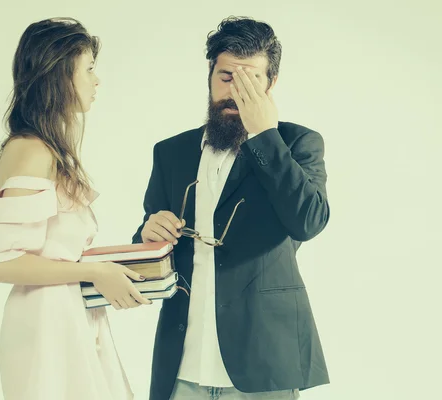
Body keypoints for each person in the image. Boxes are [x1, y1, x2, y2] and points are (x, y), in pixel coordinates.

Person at [132, 16, 331, 400]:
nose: (235, 91)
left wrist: (265, 135)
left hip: (263, 365)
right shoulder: (171, 152)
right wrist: (148, 231)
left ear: (271, 84)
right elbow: (147, 244)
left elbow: (308, 222)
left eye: (250, 80)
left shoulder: (298, 143)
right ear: (210, 73)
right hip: (183, 364)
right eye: (226, 77)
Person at [0, 17, 149, 400]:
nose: (97, 80)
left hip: (68, 316)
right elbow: (0, 264)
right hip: (46, 326)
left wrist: (113, 268)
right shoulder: (31, 150)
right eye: (88, 68)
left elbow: (54, 252)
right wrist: (95, 272)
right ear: (59, 75)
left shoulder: (47, 148)